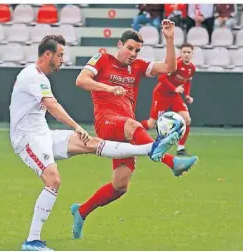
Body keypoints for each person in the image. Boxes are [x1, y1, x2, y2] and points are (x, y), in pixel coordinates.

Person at [10, 35, 180, 251]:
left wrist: (170, 38)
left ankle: (150, 148)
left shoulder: (39, 76)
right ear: (48, 55)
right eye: (60, 55)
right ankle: (32, 241)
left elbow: (168, 67)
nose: (63, 59)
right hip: (27, 139)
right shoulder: (33, 76)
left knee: (92, 143)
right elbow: (53, 106)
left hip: (43, 134)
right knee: (53, 180)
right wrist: (76, 126)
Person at [71, 20, 198, 239]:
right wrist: (109, 88)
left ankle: (81, 211)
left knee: (120, 186)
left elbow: (169, 68)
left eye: (137, 50)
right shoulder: (102, 59)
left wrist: (169, 39)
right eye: (129, 48)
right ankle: (171, 162)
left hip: (128, 129)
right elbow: (81, 80)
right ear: (119, 44)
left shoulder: (138, 66)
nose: (133, 53)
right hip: (107, 122)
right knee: (134, 125)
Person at [141, 43, 195, 155]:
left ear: (192, 54)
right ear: (180, 53)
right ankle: (129, 131)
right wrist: (175, 88)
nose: (186, 54)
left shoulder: (191, 68)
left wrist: (187, 95)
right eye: (184, 52)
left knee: (187, 119)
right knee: (151, 124)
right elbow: (161, 77)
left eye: (188, 52)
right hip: (161, 94)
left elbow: (188, 81)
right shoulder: (176, 64)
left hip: (174, 96)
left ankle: (181, 148)